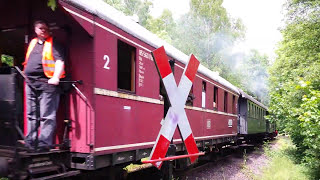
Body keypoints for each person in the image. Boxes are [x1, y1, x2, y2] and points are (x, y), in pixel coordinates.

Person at [23, 20, 65, 152]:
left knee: (47, 116)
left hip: (47, 84)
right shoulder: (33, 43)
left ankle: (44, 144)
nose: (43, 30)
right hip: (30, 83)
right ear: (35, 30)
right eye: (40, 28)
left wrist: (56, 77)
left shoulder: (54, 44)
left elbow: (59, 61)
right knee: (31, 114)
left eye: (45, 28)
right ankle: (31, 141)